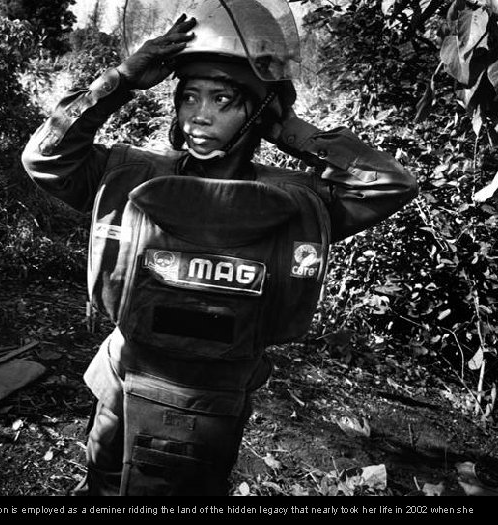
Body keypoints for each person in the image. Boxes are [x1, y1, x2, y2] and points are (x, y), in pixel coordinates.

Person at [21, 0, 418, 496]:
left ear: (255, 112)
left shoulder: (292, 202)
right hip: (124, 379)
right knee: (104, 481)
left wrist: (286, 128)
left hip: (214, 402)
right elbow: (45, 158)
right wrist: (120, 80)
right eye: (189, 97)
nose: (199, 117)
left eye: (224, 101)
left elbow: (389, 184)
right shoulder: (130, 175)